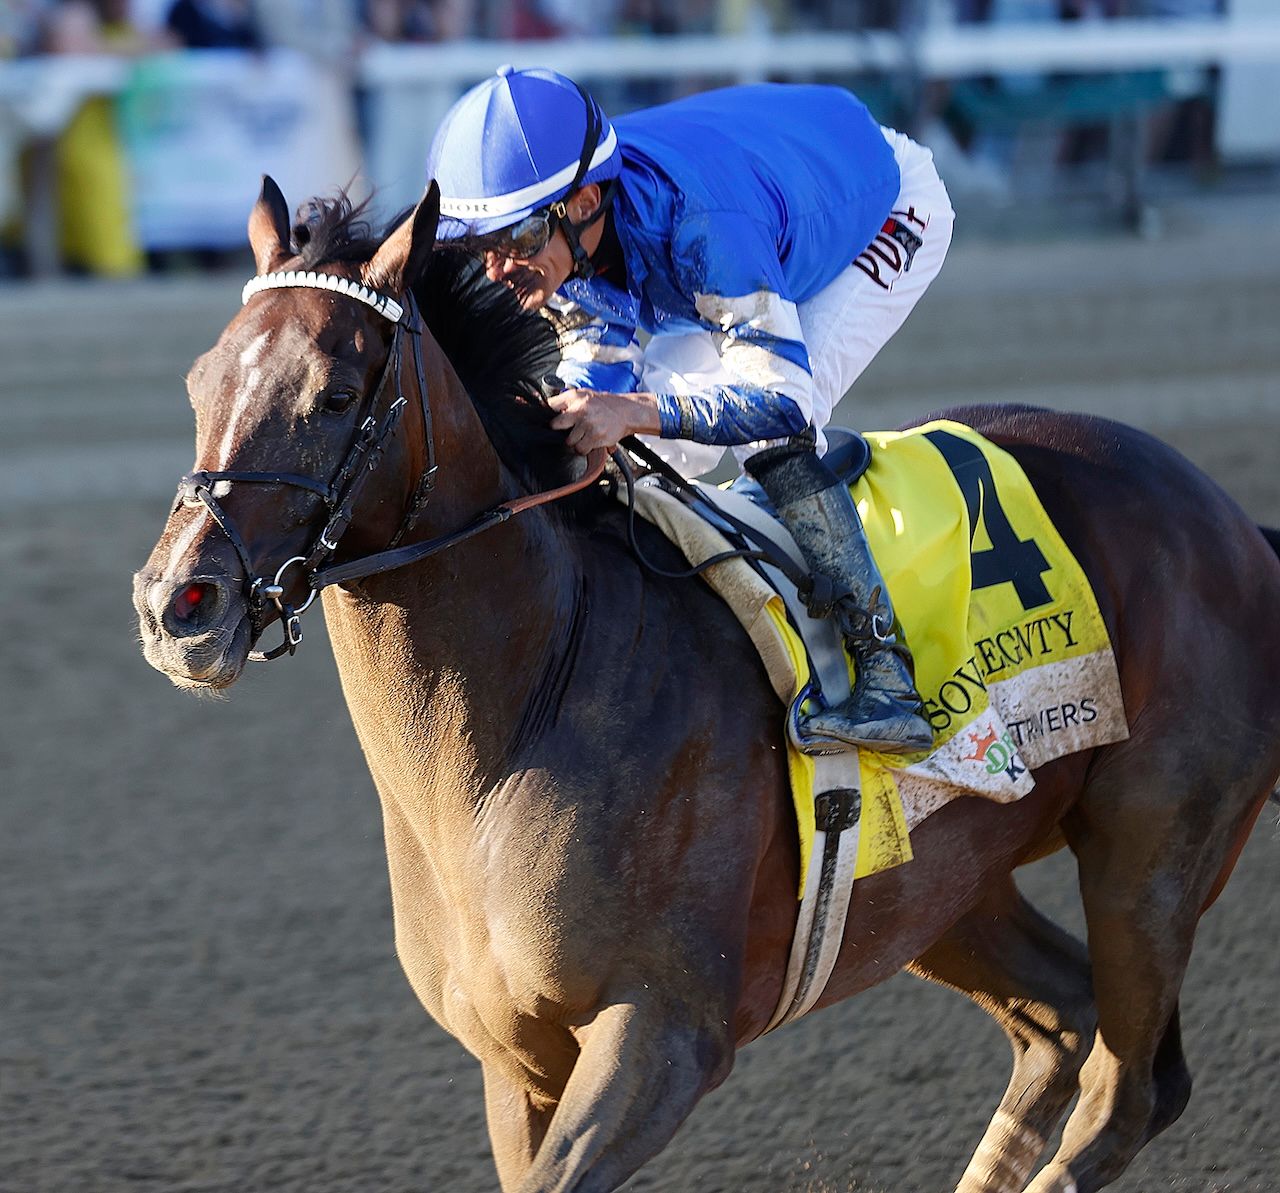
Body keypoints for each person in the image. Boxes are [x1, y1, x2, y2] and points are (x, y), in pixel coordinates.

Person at [426, 67, 954, 754]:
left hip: (880, 207)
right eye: (480, 246)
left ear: (585, 201)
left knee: (772, 439)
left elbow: (780, 404)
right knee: (624, 446)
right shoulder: (567, 238)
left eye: (516, 240)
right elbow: (598, 382)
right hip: (771, 183)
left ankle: (887, 676)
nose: (498, 268)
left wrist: (633, 410)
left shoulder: (702, 229)